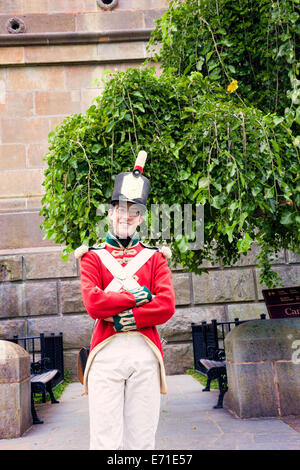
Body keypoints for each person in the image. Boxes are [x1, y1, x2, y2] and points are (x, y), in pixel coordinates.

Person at [76, 151, 175, 450]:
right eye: (119, 209)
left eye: (133, 212)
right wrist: (138, 296)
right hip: (106, 353)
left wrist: (127, 315)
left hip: (145, 353)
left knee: (142, 440)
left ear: (141, 218)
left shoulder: (156, 257)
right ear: (109, 213)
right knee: (105, 439)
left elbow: (166, 305)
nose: (125, 216)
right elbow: (94, 304)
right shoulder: (91, 256)